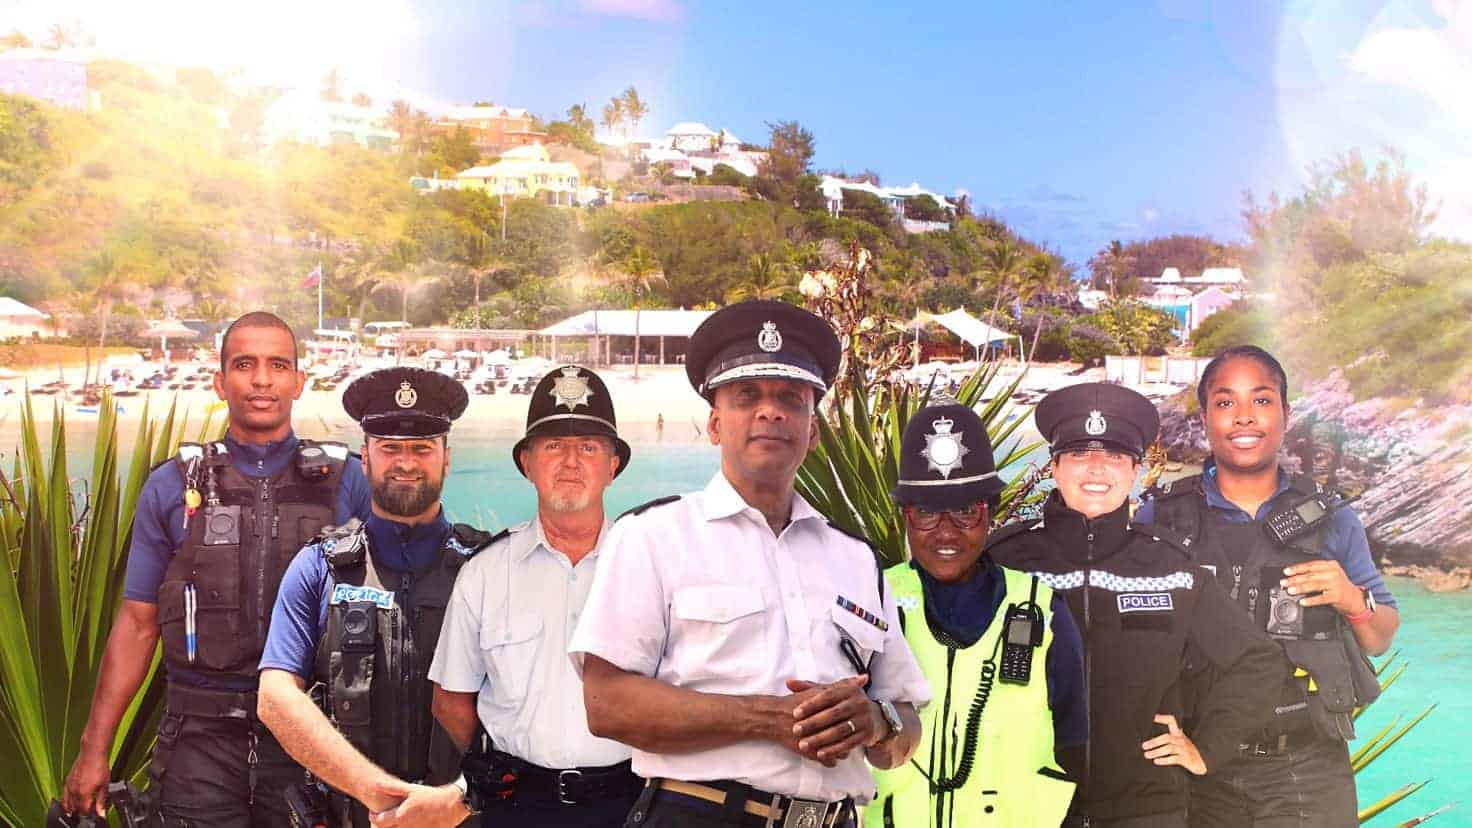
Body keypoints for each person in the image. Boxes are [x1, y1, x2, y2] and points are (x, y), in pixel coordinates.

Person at [570, 299, 931, 828]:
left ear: (812, 430)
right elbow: (607, 704)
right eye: (747, 396)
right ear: (715, 424)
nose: (770, 411)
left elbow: (907, 726)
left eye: (790, 398)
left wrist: (877, 722)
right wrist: (765, 719)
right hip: (702, 816)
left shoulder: (855, 559)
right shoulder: (654, 536)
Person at [60, 311, 372, 826]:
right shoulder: (172, 486)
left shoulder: (349, 482)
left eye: (278, 365)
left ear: (299, 381)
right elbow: (137, 624)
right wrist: (95, 749)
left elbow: (390, 613)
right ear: (220, 382)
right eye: (244, 364)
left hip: (312, 737)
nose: (262, 380)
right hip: (197, 744)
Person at [988, 382, 1286, 827]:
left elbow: (1258, 661)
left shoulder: (1172, 567)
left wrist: (1207, 746)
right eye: (1079, 455)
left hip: (1146, 810)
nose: (1096, 469)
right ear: (1054, 466)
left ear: (1134, 470)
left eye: (1114, 457)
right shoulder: (1002, 561)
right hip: (1019, 806)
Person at [1136, 346, 1399, 827]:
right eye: (1225, 402)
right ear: (1204, 417)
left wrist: (1350, 599)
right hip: (1192, 765)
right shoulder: (1161, 517)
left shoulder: (1331, 518)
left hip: (1307, 771)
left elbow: (1380, 637)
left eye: (1261, 400)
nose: (1244, 417)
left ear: (1285, 414)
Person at [256, 367, 489, 828]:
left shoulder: (488, 568)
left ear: (446, 459)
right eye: (390, 449)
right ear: (365, 458)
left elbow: (528, 706)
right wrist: (376, 793)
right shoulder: (318, 568)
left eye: (422, 449)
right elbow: (276, 698)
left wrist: (455, 801)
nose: (406, 463)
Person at [428, 365, 643, 826]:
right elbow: (449, 698)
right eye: (554, 446)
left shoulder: (648, 568)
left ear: (613, 466)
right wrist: (506, 761)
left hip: (632, 804)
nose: (571, 461)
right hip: (518, 804)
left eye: (588, 447)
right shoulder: (485, 573)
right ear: (527, 463)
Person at [868, 401, 1085, 828]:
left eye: (966, 510)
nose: (946, 532)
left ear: (991, 512)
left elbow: (1074, 746)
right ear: (905, 515)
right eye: (926, 512)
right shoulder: (874, 602)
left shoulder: (1043, 610)